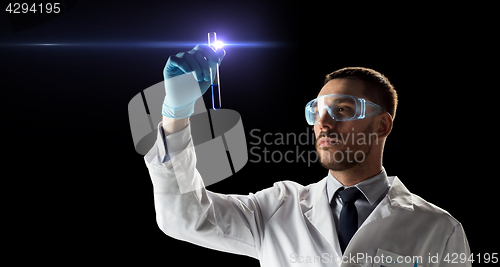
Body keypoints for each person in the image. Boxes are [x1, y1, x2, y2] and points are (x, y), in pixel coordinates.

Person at [144, 44, 471, 266]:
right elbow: (185, 218)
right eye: (317, 112)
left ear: (382, 125)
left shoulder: (438, 230)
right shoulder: (275, 209)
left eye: (343, 109)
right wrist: (176, 113)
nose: (324, 123)